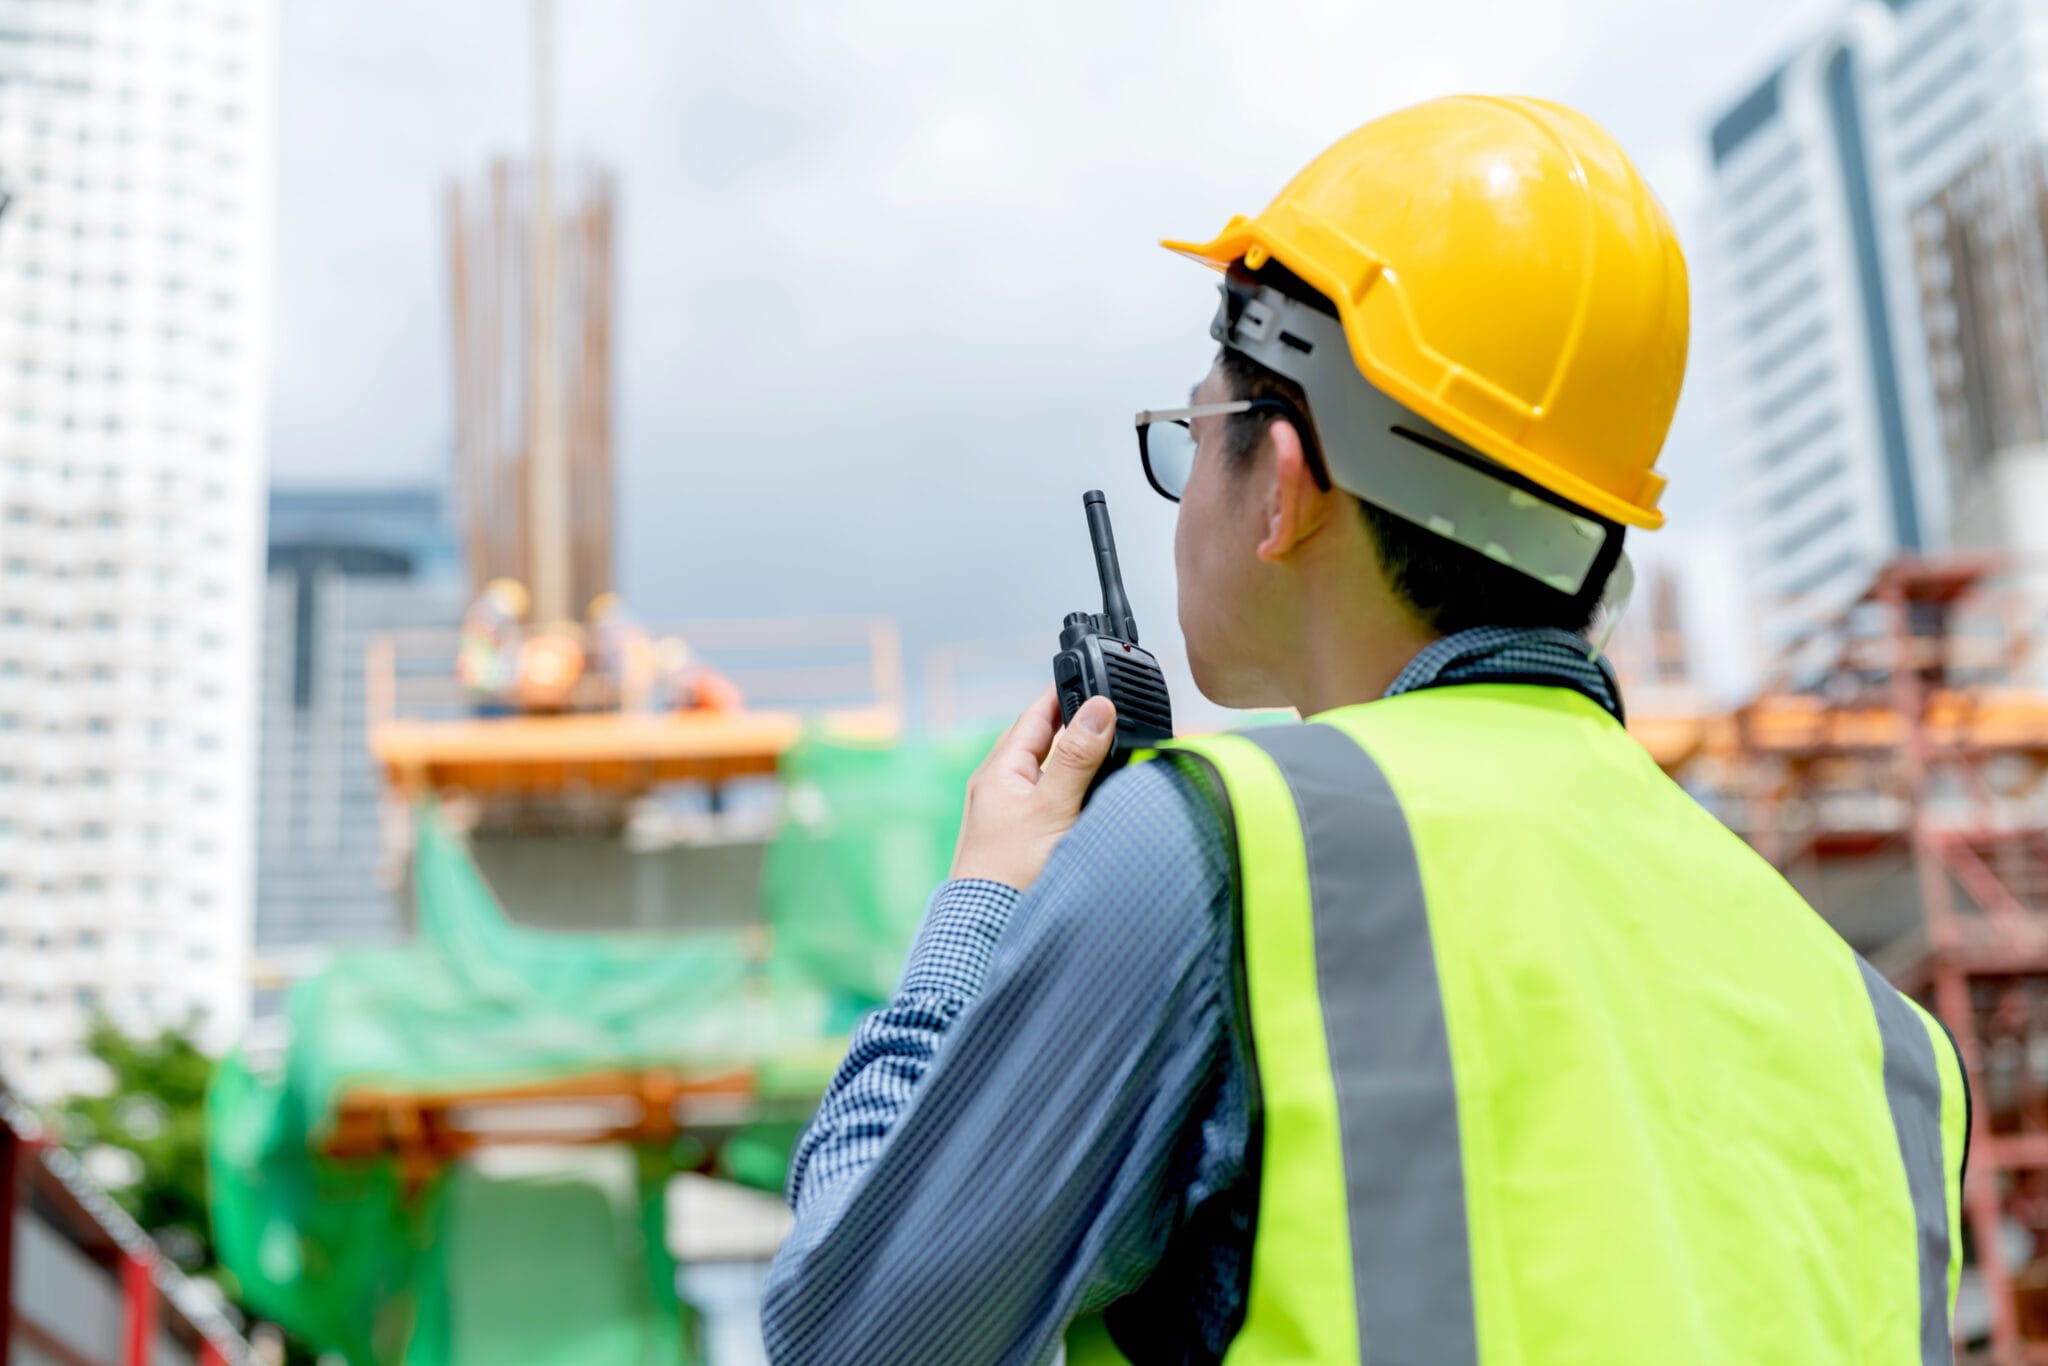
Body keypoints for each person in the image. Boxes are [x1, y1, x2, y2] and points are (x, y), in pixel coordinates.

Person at [763, 96, 1969, 1365]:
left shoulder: (1216, 853)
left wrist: (983, 909)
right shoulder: (1885, 1042)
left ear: (1280, 483)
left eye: (1189, 437)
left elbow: (848, 1335)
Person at [457, 578, 528, 717]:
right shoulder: (494, 613)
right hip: (490, 677)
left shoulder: (481, 611)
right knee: (492, 712)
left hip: (491, 678)